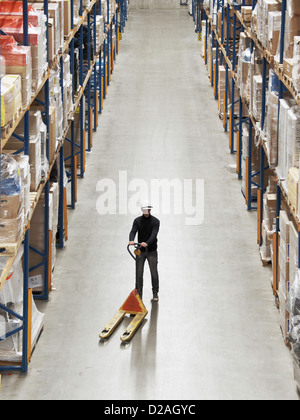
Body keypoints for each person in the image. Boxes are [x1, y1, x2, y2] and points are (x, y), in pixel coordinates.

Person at [129, 201, 160, 302]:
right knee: (139, 273)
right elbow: (133, 230)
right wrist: (131, 239)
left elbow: (154, 234)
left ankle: (155, 293)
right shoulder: (137, 221)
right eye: (144, 210)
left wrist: (147, 243)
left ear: (150, 210)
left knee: (153, 272)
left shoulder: (156, 221)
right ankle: (139, 295)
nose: (146, 212)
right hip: (141, 251)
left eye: (147, 210)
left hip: (151, 251)